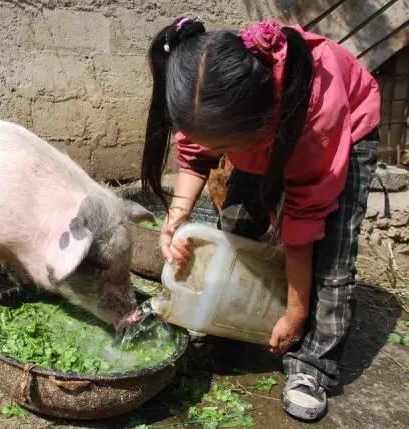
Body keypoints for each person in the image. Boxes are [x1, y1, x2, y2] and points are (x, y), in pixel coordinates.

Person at [140, 17, 380, 421]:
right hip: (261, 130)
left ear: (260, 126)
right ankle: (232, 323)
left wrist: (296, 312)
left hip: (345, 131)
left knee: (331, 257)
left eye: (223, 149)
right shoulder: (209, 92)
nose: (214, 154)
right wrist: (176, 219)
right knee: (235, 225)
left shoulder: (313, 120)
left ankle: (312, 364)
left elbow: (303, 226)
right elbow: (196, 156)